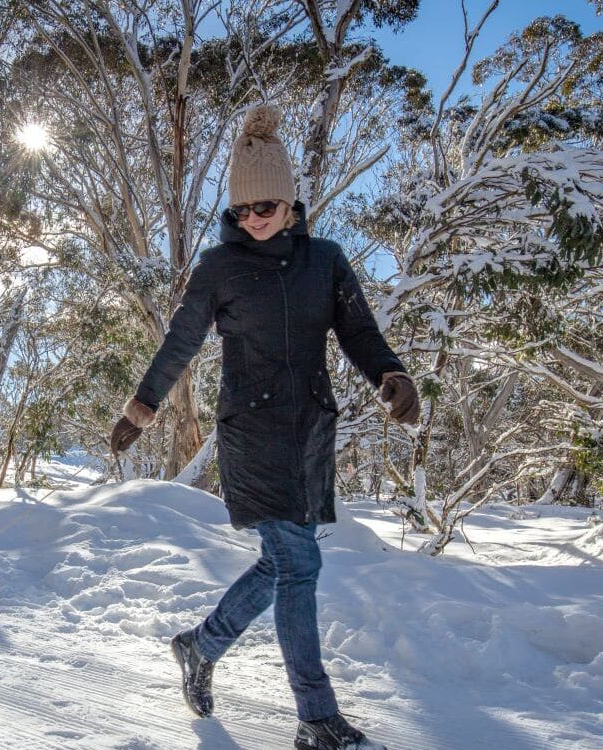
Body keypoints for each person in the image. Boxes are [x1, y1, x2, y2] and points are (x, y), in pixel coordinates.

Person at [109, 104, 418, 750]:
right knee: (298, 565)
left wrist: (390, 374)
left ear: (290, 200)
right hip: (251, 434)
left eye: (266, 207)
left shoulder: (326, 262)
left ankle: (200, 646)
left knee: (283, 566)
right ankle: (315, 717)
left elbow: (359, 331)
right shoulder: (220, 269)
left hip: (308, 433)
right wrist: (143, 405)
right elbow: (182, 340)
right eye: (243, 211)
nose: (253, 220)